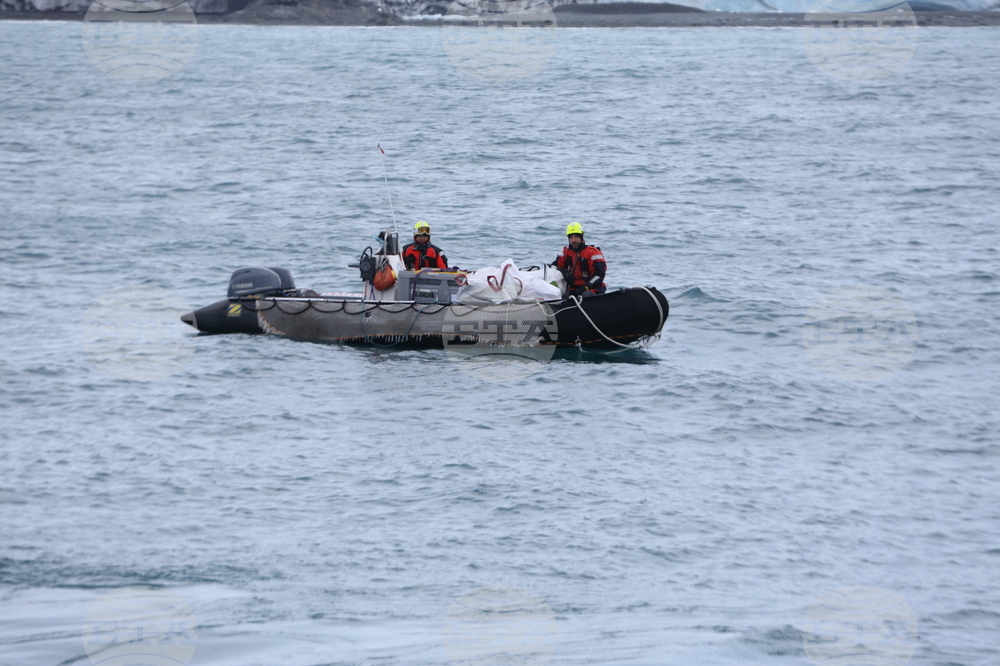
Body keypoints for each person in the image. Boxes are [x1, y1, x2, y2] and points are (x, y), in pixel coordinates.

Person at [553, 222, 606, 298]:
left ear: (581, 238)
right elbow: (554, 267)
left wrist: (585, 287)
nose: (574, 240)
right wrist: (564, 272)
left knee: (586, 296)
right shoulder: (566, 252)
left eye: (576, 237)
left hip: (593, 287)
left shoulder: (592, 253)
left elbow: (599, 275)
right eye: (571, 237)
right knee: (563, 296)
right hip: (574, 288)